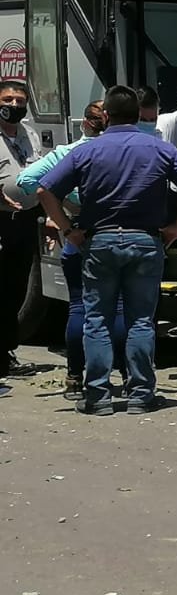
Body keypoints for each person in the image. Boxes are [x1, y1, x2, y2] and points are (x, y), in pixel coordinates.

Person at [36, 86, 177, 415]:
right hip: (145, 241)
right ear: (139, 113)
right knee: (141, 320)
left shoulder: (86, 151)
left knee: (97, 319)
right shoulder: (158, 148)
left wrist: (69, 230)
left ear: (106, 115)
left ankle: (98, 396)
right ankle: (141, 394)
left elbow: (45, 190)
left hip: (99, 242)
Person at [16, 100, 126, 397]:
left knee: (79, 307)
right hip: (117, 233)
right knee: (118, 308)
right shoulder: (126, 150)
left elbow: (27, 180)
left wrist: (65, 204)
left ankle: (75, 377)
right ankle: (128, 376)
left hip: (78, 234)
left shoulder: (69, 153)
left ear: (85, 123)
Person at [0, 78, 43, 376]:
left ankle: (5, 352)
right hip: (1, 219)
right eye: (7, 100)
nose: (14, 105)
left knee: (15, 288)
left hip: (25, 220)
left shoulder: (29, 133)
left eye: (19, 101)